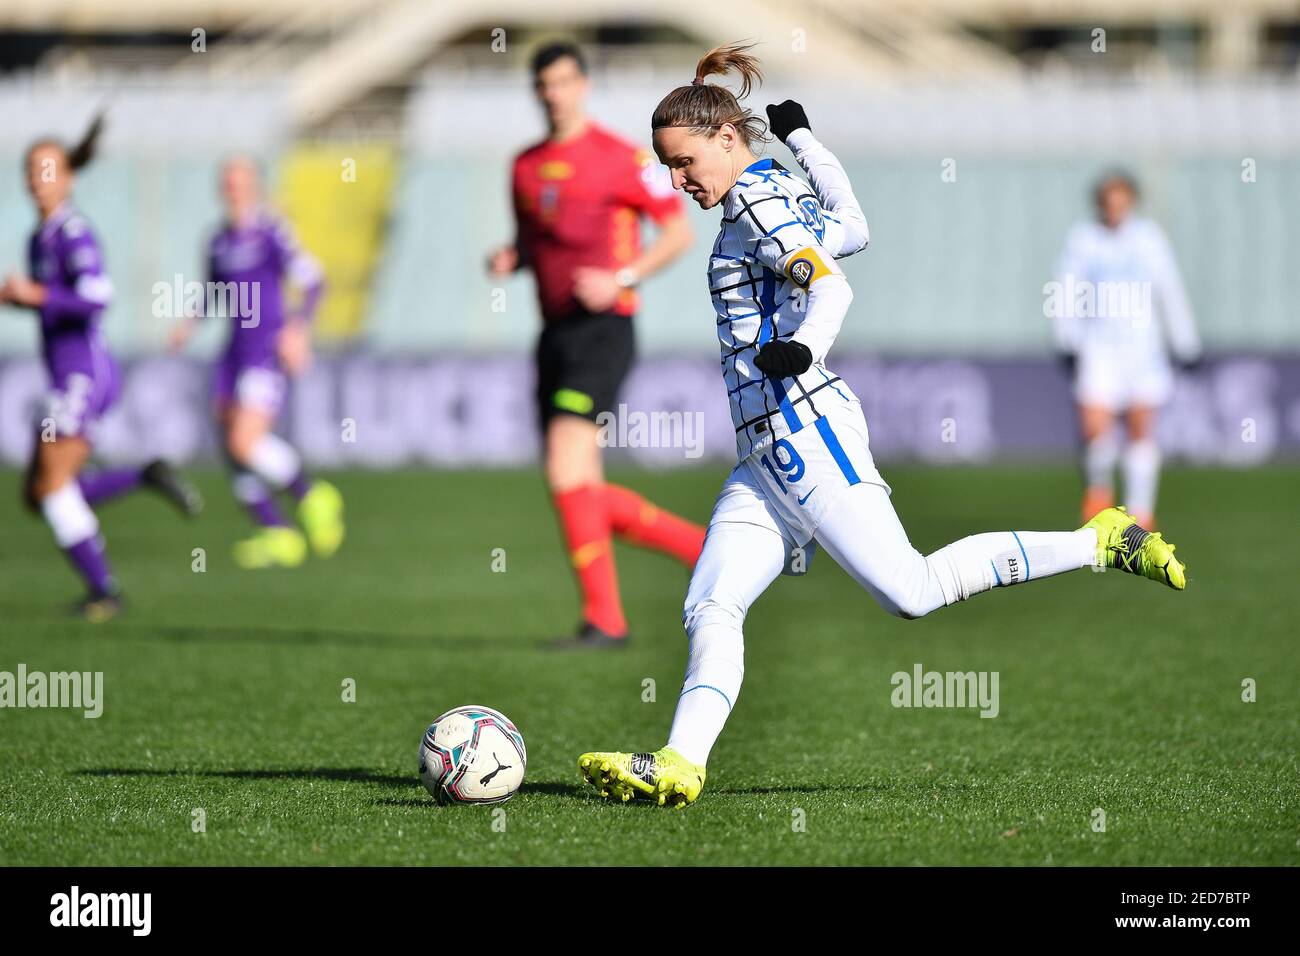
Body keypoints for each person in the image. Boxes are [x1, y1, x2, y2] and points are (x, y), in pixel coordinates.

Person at [577, 44, 1188, 807]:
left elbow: (832, 289)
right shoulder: (771, 184)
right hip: (765, 452)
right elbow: (854, 228)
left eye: (682, 161)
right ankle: (679, 761)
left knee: (912, 590)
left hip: (804, 432)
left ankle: (1100, 541)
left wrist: (802, 350)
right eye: (668, 167)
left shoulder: (758, 205)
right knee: (712, 603)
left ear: (727, 138)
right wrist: (806, 141)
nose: (675, 180)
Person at [488, 41, 704, 648]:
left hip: (604, 332)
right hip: (553, 332)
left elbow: (677, 232)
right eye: (543, 84)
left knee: (566, 468)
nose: (554, 93)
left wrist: (621, 278)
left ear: (582, 85)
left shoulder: (621, 157)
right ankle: (687, 560)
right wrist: (516, 257)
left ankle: (610, 616)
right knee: (576, 478)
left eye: (563, 81)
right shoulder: (525, 165)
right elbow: (535, 241)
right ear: (536, 92)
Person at [1, 116, 201, 621]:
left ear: (68, 178)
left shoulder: (72, 231)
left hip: (82, 374)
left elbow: (97, 296)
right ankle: (144, 475)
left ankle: (105, 591)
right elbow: (57, 303)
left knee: (51, 487)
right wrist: (25, 301)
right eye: (31, 169)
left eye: (48, 169)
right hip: (65, 374)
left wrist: (36, 294)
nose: (37, 178)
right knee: (38, 492)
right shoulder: (39, 238)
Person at [170, 156, 343, 569]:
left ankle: (312, 494)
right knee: (229, 444)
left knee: (244, 441)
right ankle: (276, 532)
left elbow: (314, 279)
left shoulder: (270, 231)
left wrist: (298, 329)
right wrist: (189, 324)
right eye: (227, 181)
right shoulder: (218, 240)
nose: (233, 188)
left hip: (265, 349)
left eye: (240, 181)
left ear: (255, 186)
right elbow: (213, 289)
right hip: (233, 351)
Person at [1054, 172, 1201, 528]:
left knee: (1140, 431)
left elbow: (1169, 289)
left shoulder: (1149, 239)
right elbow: (1066, 290)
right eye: (1108, 201)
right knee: (1095, 431)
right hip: (1099, 348)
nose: (1115, 208)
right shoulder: (1083, 240)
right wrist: (1066, 338)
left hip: (1142, 350)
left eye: (1121, 200)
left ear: (1131, 202)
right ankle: (1099, 493)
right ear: (1099, 204)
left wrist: (1185, 340)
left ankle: (1141, 512)